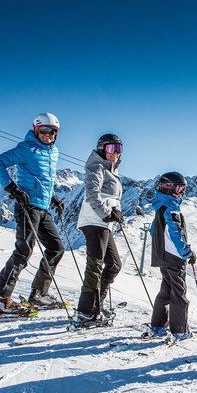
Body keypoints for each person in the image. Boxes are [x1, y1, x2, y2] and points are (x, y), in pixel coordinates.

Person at [0, 112, 66, 313]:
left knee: (56, 248)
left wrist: (53, 198)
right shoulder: (26, 148)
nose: (48, 135)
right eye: (44, 131)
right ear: (36, 130)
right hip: (27, 207)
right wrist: (13, 189)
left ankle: (39, 294)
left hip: (43, 207)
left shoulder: (53, 152)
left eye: (52, 131)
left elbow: (43, 179)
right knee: (23, 252)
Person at [72, 133, 124, 328]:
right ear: (102, 149)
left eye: (119, 149)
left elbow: (108, 197)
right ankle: (86, 312)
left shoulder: (111, 169)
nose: (115, 153)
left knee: (114, 265)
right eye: (111, 149)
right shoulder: (96, 166)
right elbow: (93, 194)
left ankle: (96, 305)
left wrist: (114, 211)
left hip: (103, 223)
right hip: (94, 221)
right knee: (95, 266)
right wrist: (106, 213)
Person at [143, 172, 196, 340]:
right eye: (179, 188)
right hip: (174, 257)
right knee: (179, 293)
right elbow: (176, 233)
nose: (181, 193)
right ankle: (179, 330)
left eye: (183, 189)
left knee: (166, 291)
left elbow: (153, 230)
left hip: (163, 256)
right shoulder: (172, 208)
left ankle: (158, 326)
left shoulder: (160, 206)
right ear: (167, 188)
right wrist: (187, 252)